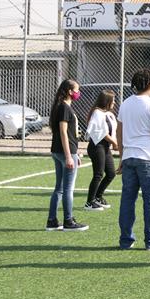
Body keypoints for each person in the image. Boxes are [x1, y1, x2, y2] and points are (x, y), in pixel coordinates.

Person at [117, 69, 150, 251]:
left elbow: (120, 131)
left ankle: (126, 240)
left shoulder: (125, 103)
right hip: (148, 157)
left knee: (127, 199)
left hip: (129, 156)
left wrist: (122, 156)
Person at [46, 79, 88, 231]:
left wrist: (75, 153)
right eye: (77, 90)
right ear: (70, 91)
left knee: (59, 188)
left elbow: (69, 134)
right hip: (64, 153)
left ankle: (52, 221)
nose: (78, 93)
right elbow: (63, 132)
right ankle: (68, 221)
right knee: (67, 189)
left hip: (59, 151)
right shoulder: (64, 107)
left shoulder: (61, 106)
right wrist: (70, 155)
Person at [84, 89, 118, 211]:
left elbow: (113, 130)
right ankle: (89, 202)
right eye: (113, 100)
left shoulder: (109, 114)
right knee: (98, 174)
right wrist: (114, 142)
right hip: (96, 146)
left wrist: (115, 142)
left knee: (111, 173)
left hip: (105, 147)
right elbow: (101, 132)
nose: (114, 103)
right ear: (106, 101)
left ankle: (98, 196)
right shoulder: (97, 113)